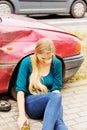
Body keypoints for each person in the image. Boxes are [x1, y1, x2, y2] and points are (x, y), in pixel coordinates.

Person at [16, 38, 68, 130]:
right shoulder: (27, 62)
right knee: (56, 97)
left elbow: (57, 88)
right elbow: (20, 90)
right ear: (36, 52)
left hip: (50, 102)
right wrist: (22, 116)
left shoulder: (56, 63)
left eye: (49, 58)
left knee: (60, 124)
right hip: (33, 104)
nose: (46, 61)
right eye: (43, 58)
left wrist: (54, 97)